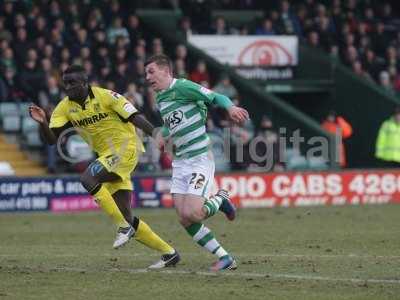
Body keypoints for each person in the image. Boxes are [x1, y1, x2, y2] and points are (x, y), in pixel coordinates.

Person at [29, 65, 179, 269]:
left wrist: (156, 135)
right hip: (108, 157)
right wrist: (42, 123)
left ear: (84, 83)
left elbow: (135, 117)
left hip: (126, 148)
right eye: (65, 83)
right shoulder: (64, 108)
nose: (68, 87)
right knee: (126, 214)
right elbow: (51, 140)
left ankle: (122, 228)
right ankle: (169, 253)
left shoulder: (107, 96)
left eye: (72, 82)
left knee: (87, 179)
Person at [144, 54, 249, 271]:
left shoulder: (182, 87)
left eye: (151, 72)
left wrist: (230, 108)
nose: (147, 77)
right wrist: (162, 134)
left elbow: (216, 96)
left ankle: (221, 198)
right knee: (184, 218)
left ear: (166, 71)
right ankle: (225, 257)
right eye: (146, 73)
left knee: (194, 213)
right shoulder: (162, 98)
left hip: (199, 158)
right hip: (180, 162)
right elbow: (172, 124)